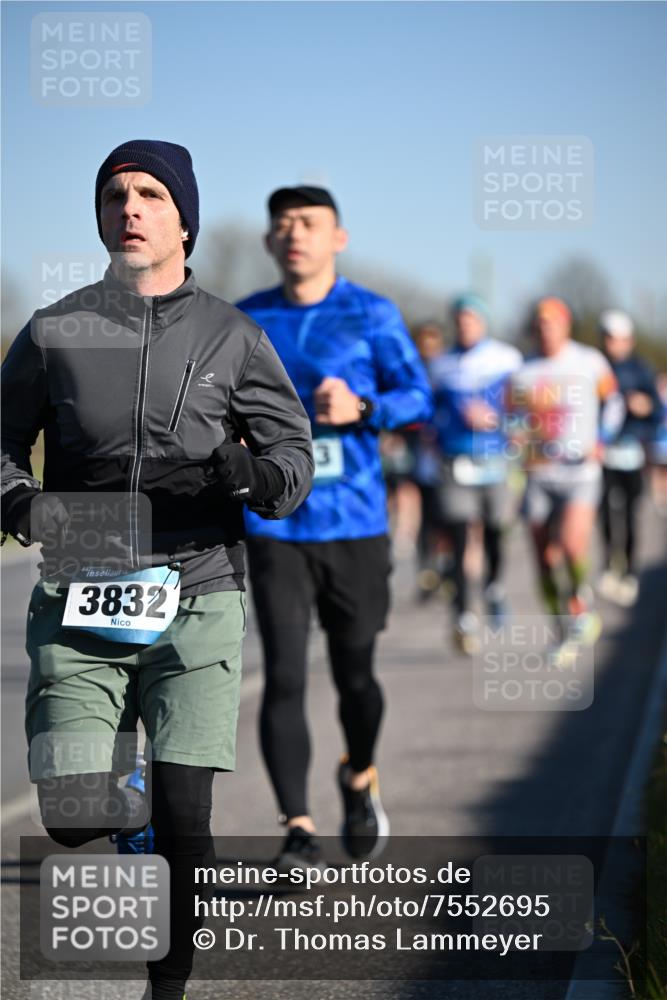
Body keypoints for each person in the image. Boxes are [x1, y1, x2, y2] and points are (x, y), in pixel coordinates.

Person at [1, 140, 313, 1000]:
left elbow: (292, 455)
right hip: (81, 587)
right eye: (113, 195)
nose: (129, 208)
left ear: (184, 219)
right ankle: (118, 801)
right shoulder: (55, 329)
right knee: (70, 819)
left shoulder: (232, 334)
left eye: (148, 195)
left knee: (188, 824)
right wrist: (20, 503)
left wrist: (252, 475)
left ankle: (164, 990)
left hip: (197, 589)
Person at [236, 185, 433, 866]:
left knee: (355, 675)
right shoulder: (245, 321)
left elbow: (418, 399)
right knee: (284, 676)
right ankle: (297, 828)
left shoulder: (371, 313)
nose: (295, 233)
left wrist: (362, 406)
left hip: (354, 524)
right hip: (274, 528)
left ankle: (359, 774)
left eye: (309, 223)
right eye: (283, 224)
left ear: (337, 238)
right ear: (268, 241)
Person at [509, 297, 624, 661]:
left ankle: (580, 601)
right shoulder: (523, 368)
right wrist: (514, 435)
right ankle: (560, 630)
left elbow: (615, 402)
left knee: (573, 546)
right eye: (541, 325)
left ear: (566, 325)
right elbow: (512, 417)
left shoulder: (589, 360)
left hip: (580, 471)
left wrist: (602, 439)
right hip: (540, 472)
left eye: (553, 324)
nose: (547, 331)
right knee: (543, 556)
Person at [427, 295, 522, 652]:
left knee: (496, 529)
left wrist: (497, 420)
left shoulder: (507, 358)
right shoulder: (440, 364)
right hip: (455, 461)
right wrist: (432, 434)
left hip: (496, 458)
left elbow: (524, 407)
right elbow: (428, 410)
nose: (465, 325)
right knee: (459, 535)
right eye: (460, 319)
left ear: (483, 322)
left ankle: (494, 587)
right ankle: (463, 614)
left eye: (472, 319)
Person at [597, 309, 661, 605]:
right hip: (603, 452)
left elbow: (659, 411)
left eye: (620, 339)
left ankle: (631, 571)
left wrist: (645, 407)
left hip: (632, 450)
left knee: (632, 513)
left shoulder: (641, 369)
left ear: (630, 340)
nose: (615, 345)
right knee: (607, 511)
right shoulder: (596, 367)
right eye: (609, 339)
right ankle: (611, 563)